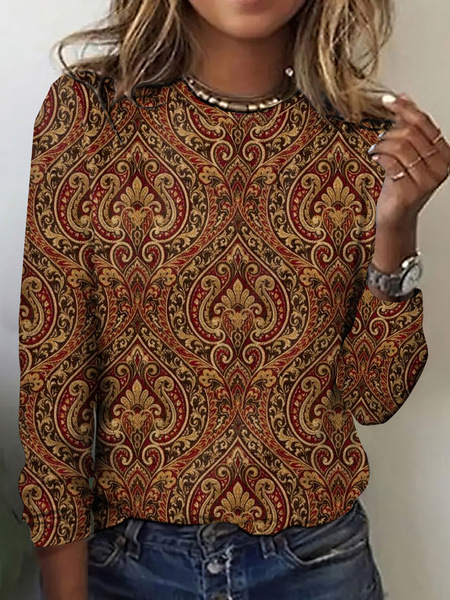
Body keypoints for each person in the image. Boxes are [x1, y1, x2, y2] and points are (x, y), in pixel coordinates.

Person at [17, 1, 449, 599]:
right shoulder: (91, 113)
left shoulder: (365, 138)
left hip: (317, 564)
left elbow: (372, 398)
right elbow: (53, 376)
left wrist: (397, 229)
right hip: (129, 566)